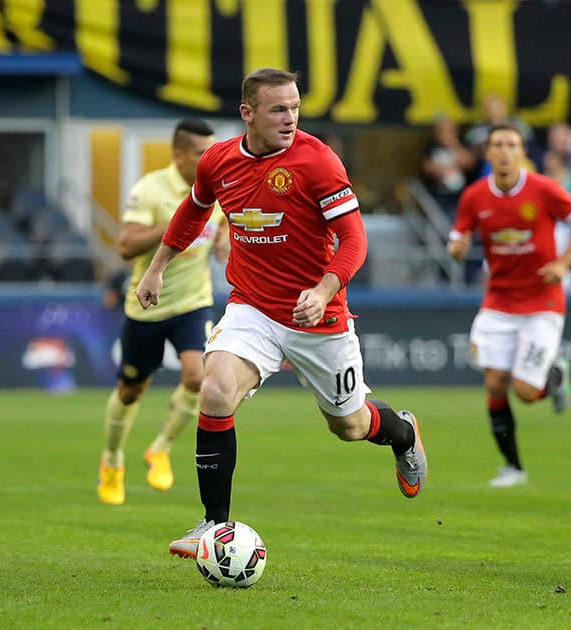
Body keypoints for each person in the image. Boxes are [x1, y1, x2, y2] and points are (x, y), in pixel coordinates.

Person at [133, 68, 428, 558]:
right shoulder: (218, 160)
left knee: (350, 426)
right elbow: (194, 208)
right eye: (278, 109)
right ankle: (213, 527)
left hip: (319, 316)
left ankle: (403, 431)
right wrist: (156, 267)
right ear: (247, 113)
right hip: (252, 307)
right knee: (215, 388)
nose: (290, 118)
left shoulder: (318, 161)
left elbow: (355, 239)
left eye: (294, 108)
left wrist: (325, 286)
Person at [447, 123, 571, 488]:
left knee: (526, 393)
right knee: (495, 384)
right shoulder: (475, 195)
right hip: (498, 301)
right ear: (489, 153)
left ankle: (555, 377)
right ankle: (513, 467)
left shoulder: (542, 188)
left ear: (522, 152)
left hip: (542, 302)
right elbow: (457, 236)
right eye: (498, 145)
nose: (505, 151)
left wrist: (563, 263)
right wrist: (456, 248)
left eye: (512, 144)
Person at [97, 118, 229, 506]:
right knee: (131, 389)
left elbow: (223, 220)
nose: (210, 160)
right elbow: (124, 245)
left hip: (192, 301)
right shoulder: (150, 189)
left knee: (197, 376)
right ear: (178, 155)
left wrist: (222, 237)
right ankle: (112, 458)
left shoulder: (218, 187)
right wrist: (176, 225)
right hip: (147, 305)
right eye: (202, 153)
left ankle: (160, 448)